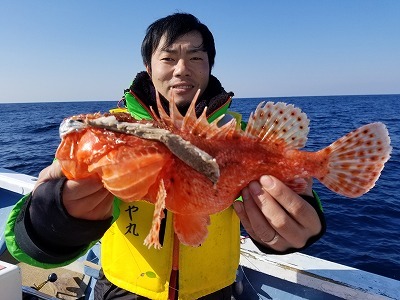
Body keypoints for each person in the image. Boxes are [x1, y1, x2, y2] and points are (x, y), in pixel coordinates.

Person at [6, 13, 325, 299]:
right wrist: (54, 220)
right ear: (148, 66)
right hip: (122, 290)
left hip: (213, 291)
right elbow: (28, 245)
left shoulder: (238, 134)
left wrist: (294, 226)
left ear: (210, 65)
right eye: (168, 58)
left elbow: (281, 204)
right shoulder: (112, 130)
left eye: (196, 57)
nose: (182, 69)